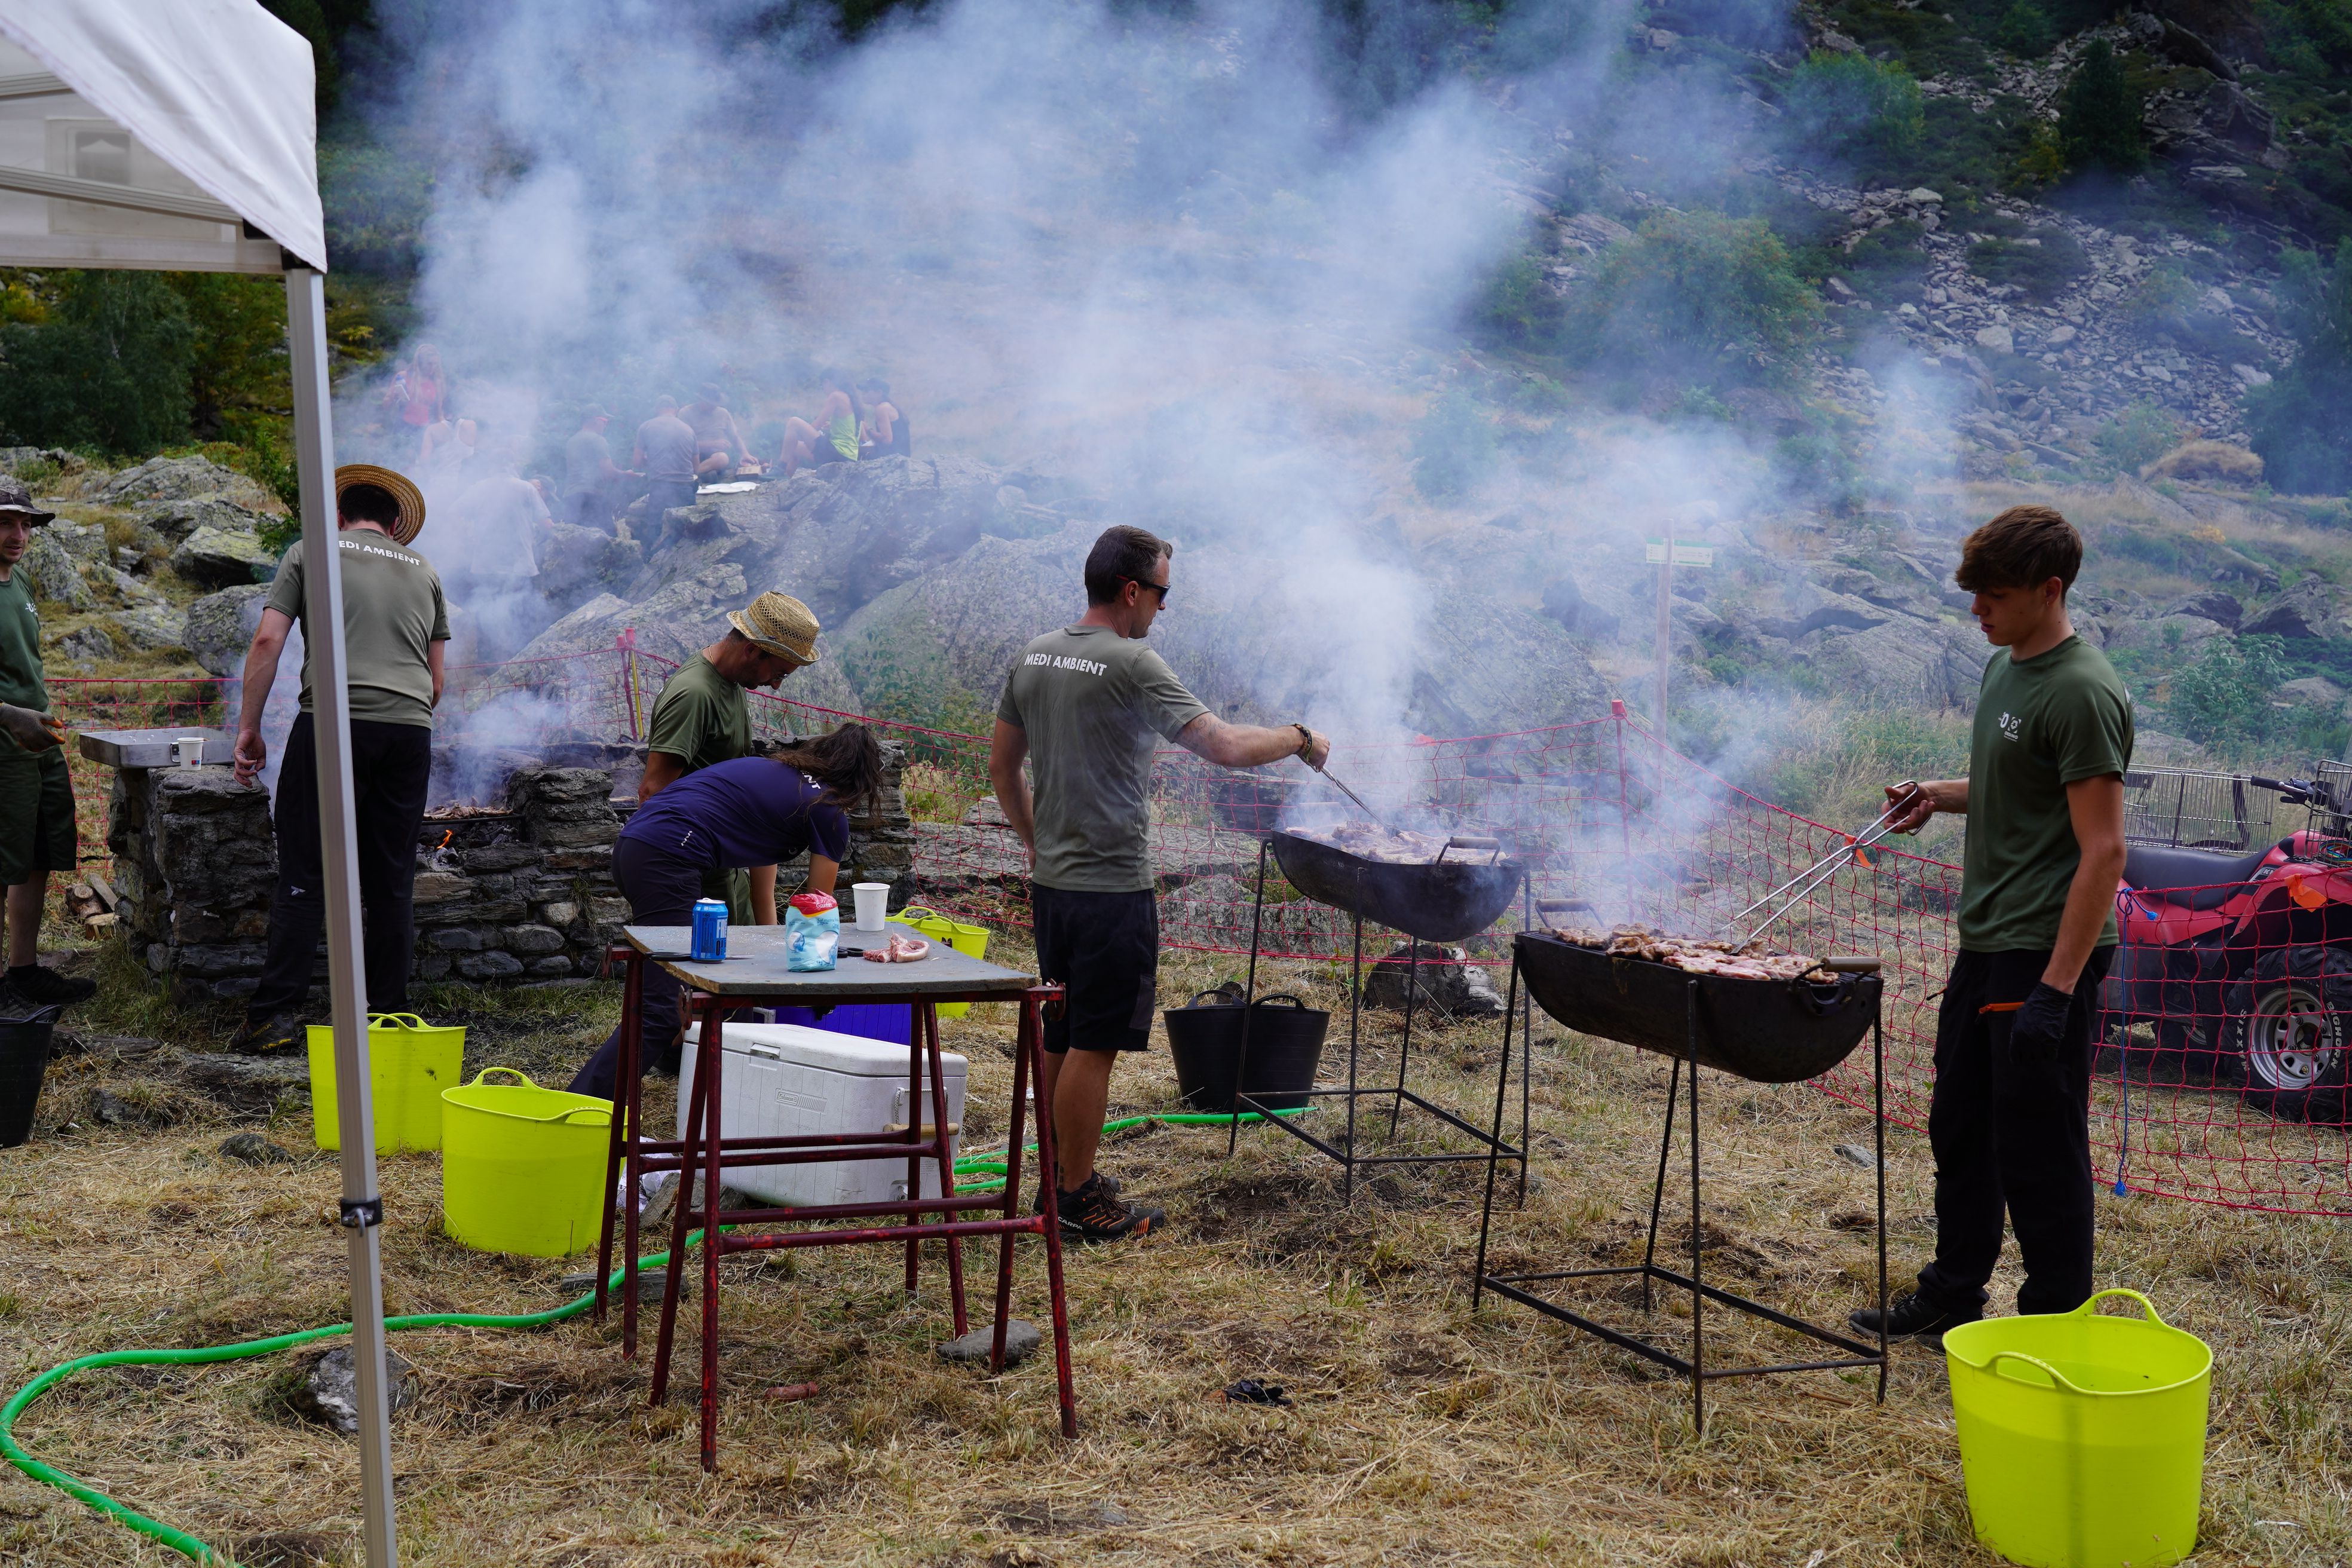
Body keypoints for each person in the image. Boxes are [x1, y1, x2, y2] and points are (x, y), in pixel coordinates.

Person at [990, 525, 1332, 1242]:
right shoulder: (1132, 661)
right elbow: (1224, 745)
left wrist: (1036, 843)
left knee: (1062, 1028)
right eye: (1162, 592)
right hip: (1111, 889)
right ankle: (1077, 1197)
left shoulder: (1034, 654)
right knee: (1095, 1041)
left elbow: (1002, 768)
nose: (1164, 607)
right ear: (1131, 589)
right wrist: (1299, 737)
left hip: (1054, 886)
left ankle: (1058, 1178)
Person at [1850, 506, 2131, 1346]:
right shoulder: (2004, 666)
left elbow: (2105, 849)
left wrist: (2056, 990)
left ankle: (2053, 1327)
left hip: (2044, 951)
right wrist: (1937, 795)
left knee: (2039, 1144)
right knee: (1962, 1126)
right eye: (1975, 594)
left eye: (1996, 595)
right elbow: (2018, 783)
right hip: (1986, 941)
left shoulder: (2084, 692)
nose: (1978, 610)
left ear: (2051, 590)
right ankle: (1952, 1294)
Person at [229, 468, 449, 1053]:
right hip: (409, 730)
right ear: (395, 526)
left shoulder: (312, 552)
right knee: (392, 881)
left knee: (306, 870)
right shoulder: (425, 569)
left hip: (332, 723)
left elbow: (268, 641)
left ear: (340, 518)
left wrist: (249, 727)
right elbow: (436, 682)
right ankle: (388, 1016)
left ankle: (273, 1019)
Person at [568, 725, 882, 1101]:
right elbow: (818, 911)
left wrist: (773, 953)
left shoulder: (775, 777)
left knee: (707, 972)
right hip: (668, 857)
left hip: (636, 845)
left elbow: (762, 890)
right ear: (859, 783)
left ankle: (686, 1063)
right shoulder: (827, 810)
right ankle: (581, 1106)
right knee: (662, 1008)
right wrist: (818, 989)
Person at [638, 591, 821, 946]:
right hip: (696, 869)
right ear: (753, 650)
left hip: (722, 863)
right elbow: (652, 792)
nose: (777, 684)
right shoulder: (694, 694)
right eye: (779, 673)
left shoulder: (732, 682)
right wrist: (675, 880)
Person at [0, 477, 94, 1011]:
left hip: (38, 739)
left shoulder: (21, 582)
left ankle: (24, 971)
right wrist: (6, 714)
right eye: (5, 523)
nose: (18, 535)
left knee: (36, 855)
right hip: (2, 747)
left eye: (25, 524)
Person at [442, 445, 550, 662]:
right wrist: (540, 539)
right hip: (521, 564)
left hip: (486, 564)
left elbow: (452, 512)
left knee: (485, 614)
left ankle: (487, 664)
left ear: (490, 466)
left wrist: (467, 536)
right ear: (513, 464)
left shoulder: (479, 488)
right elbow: (546, 524)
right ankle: (522, 662)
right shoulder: (526, 488)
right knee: (521, 615)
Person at [561, 406, 636, 532]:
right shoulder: (597, 439)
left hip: (572, 497)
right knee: (607, 538)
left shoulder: (572, 441)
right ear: (596, 420)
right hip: (591, 496)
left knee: (574, 537)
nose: (605, 425)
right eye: (605, 421)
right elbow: (609, 472)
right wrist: (626, 475)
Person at [778, 369, 861, 474]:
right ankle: (785, 476)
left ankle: (780, 468)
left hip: (837, 453)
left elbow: (817, 425)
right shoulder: (849, 398)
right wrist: (832, 426)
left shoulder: (836, 396)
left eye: (822, 386)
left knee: (793, 422)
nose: (823, 390)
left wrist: (802, 434)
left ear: (827, 382)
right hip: (848, 457)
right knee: (793, 446)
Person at [634, 394, 699, 525]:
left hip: (660, 489)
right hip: (685, 488)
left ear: (657, 409)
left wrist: (649, 461)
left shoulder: (646, 427)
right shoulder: (689, 429)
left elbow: (636, 462)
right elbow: (696, 468)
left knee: (657, 530)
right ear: (676, 410)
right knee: (687, 532)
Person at [683, 382, 751, 482]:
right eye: (710, 404)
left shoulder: (723, 413)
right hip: (693, 456)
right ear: (701, 400)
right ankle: (696, 474)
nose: (713, 406)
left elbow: (735, 437)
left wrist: (745, 453)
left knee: (722, 458)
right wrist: (713, 444)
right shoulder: (686, 413)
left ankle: (697, 474)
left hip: (714, 457)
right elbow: (685, 443)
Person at [399, 344, 448, 443]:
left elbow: (439, 414)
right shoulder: (403, 377)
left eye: (435, 364)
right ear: (420, 362)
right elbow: (386, 404)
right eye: (429, 364)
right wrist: (394, 398)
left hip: (424, 429)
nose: (433, 367)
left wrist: (445, 428)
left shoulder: (437, 382)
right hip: (402, 426)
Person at [857, 378, 909, 460]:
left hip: (894, 457)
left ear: (879, 393)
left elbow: (887, 440)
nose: (863, 394)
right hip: (901, 455)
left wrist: (868, 430)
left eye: (866, 391)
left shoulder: (882, 408)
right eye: (863, 391)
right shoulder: (887, 406)